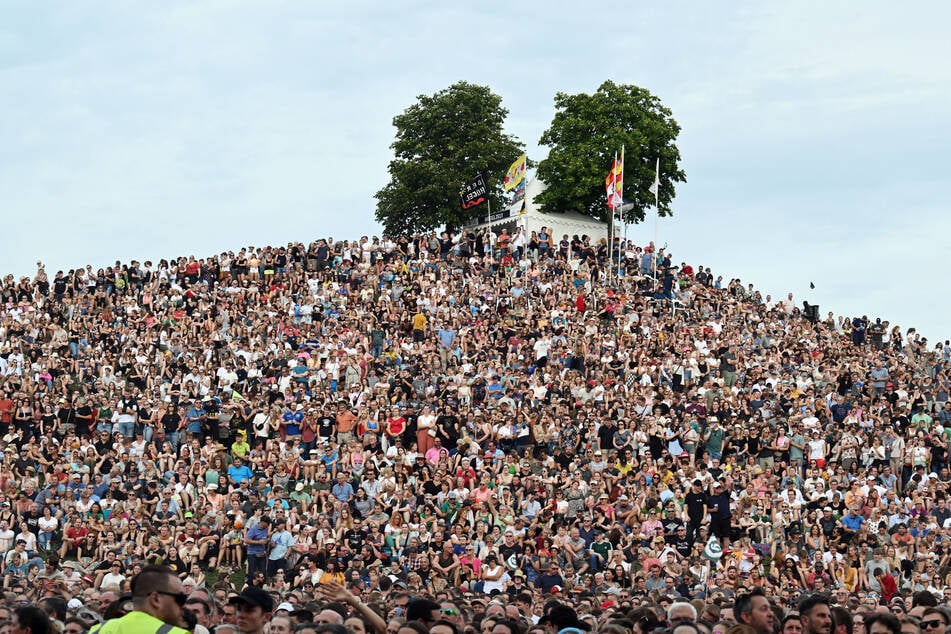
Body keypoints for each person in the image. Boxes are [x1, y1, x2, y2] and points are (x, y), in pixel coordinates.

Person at [89, 565, 190, 633]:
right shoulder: (176, 633)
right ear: (155, 599)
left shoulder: (98, 630)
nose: (184, 605)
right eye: (180, 598)